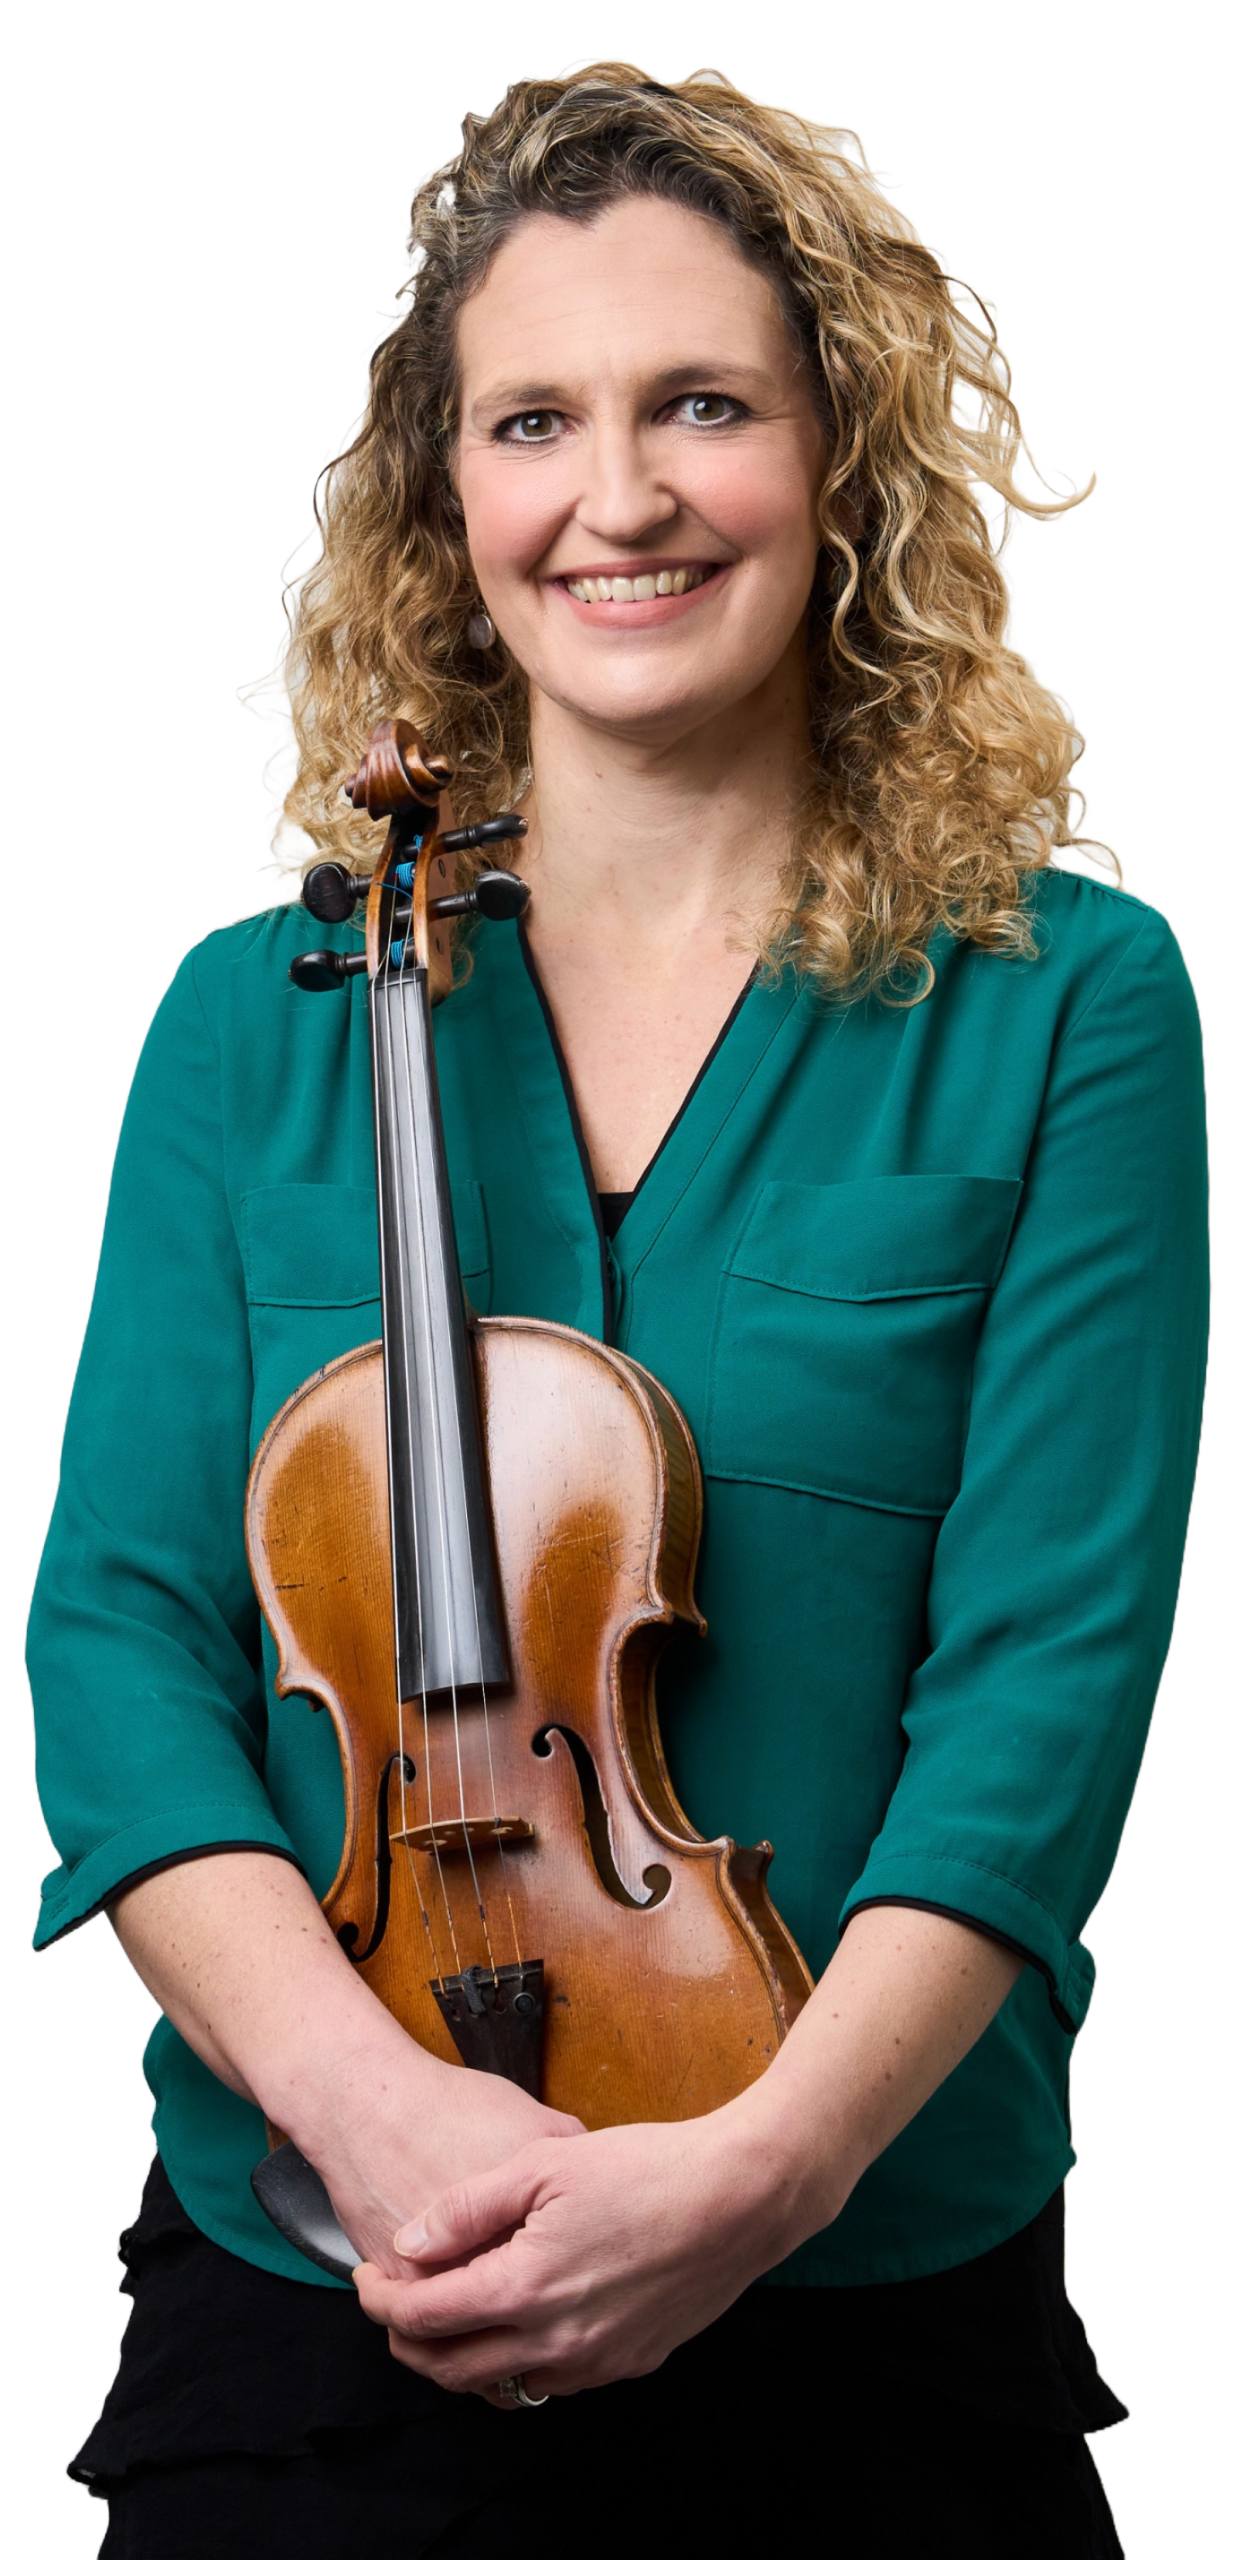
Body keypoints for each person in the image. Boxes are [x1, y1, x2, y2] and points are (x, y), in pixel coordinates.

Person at [29, 60, 1207, 2559]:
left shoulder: (1072, 999)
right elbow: (118, 1642)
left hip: (874, 2277)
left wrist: (763, 2167)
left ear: (843, 461)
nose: (623, 496)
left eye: (706, 405)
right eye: (535, 420)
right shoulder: (253, 1018)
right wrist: (375, 2111)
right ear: (445, 499)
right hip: (327, 2275)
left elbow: (1048, 1674)